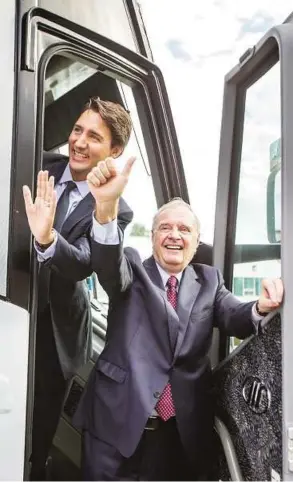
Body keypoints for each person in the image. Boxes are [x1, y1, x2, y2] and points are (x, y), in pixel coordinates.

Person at [73, 157, 284, 481]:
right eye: (165, 228)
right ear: (154, 235)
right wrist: (106, 208)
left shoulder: (209, 281)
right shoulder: (130, 268)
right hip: (115, 427)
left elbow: (235, 315)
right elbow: (107, 263)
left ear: (196, 241)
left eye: (184, 229)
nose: (174, 235)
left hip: (176, 436)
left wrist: (262, 306)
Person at [22, 98, 133, 480]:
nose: (79, 142)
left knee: (36, 433)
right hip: (14, 308)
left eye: (94, 136)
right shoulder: (35, 163)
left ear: (114, 151)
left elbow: (84, 263)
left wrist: (48, 237)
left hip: (57, 335)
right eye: (77, 130)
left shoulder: (116, 208)